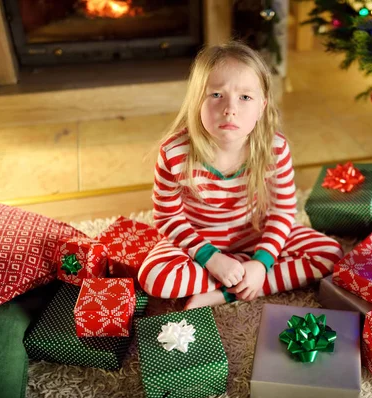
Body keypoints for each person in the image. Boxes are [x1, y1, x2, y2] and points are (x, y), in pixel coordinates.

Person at [138, 41, 344, 309]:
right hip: (200, 239)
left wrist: (261, 263)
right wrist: (211, 259)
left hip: (254, 233)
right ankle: (239, 278)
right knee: (154, 277)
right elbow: (168, 217)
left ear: (261, 106)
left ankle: (231, 291)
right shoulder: (174, 153)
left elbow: (282, 212)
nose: (230, 109)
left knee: (331, 253)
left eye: (245, 97)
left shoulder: (275, 149)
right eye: (216, 95)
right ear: (196, 100)